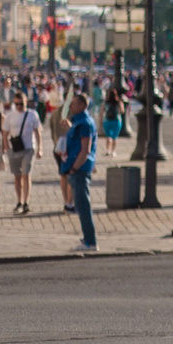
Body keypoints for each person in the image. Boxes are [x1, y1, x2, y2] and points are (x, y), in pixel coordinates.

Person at [57, 92, 99, 253]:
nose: (71, 106)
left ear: (82, 105)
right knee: (80, 205)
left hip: (80, 169)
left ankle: (90, 241)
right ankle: (87, 238)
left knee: (83, 205)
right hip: (77, 167)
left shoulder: (85, 124)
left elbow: (85, 149)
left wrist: (75, 167)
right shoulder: (80, 122)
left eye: (74, 104)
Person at [4, 92, 42, 214]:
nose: (19, 106)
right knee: (17, 176)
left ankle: (26, 202)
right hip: (14, 149)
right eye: (16, 104)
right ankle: (19, 201)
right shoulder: (10, 116)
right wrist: (6, 148)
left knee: (26, 175)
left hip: (28, 148)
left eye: (21, 104)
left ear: (26, 103)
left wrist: (40, 148)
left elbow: (37, 132)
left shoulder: (32, 114)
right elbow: (5, 133)